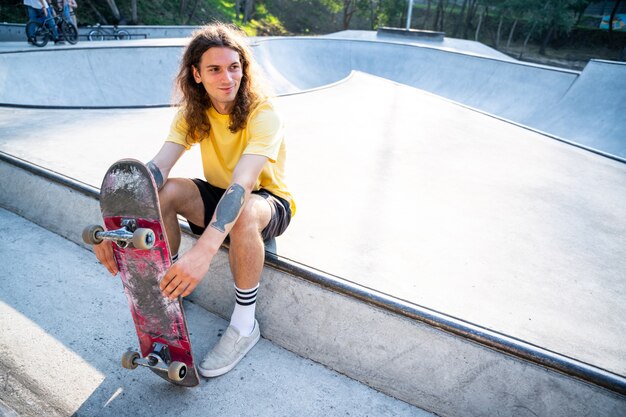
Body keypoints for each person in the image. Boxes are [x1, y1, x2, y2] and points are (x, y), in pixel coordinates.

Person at [91, 22, 295, 378]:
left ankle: (245, 325)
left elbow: (243, 185)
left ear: (244, 70)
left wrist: (201, 253)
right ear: (197, 74)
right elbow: (157, 168)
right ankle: (165, 286)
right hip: (218, 195)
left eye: (234, 67)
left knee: (244, 209)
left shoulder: (264, 113)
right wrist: (113, 226)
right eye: (214, 69)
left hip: (266, 201)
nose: (227, 78)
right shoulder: (193, 113)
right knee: (167, 191)